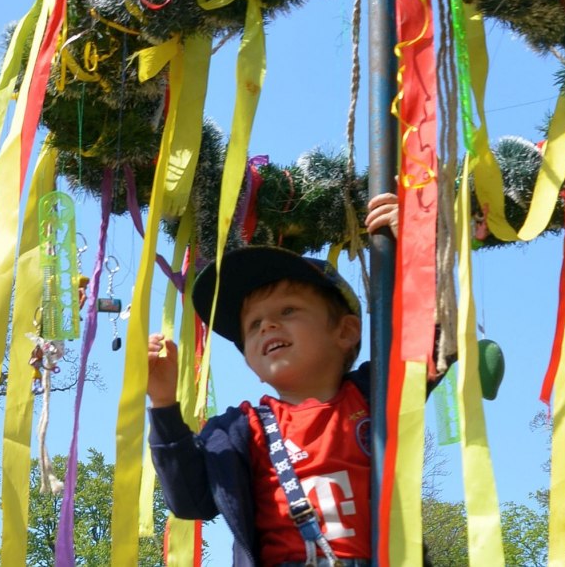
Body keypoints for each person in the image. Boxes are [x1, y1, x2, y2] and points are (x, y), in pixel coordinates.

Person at [146, 193, 409, 566]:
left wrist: (414, 251)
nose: (268, 325)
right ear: (249, 359)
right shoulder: (241, 429)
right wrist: (163, 404)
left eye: (288, 310)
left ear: (346, 332)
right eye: (253, 325)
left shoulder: (373, 395)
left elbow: (426, 341)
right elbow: (190, 499)